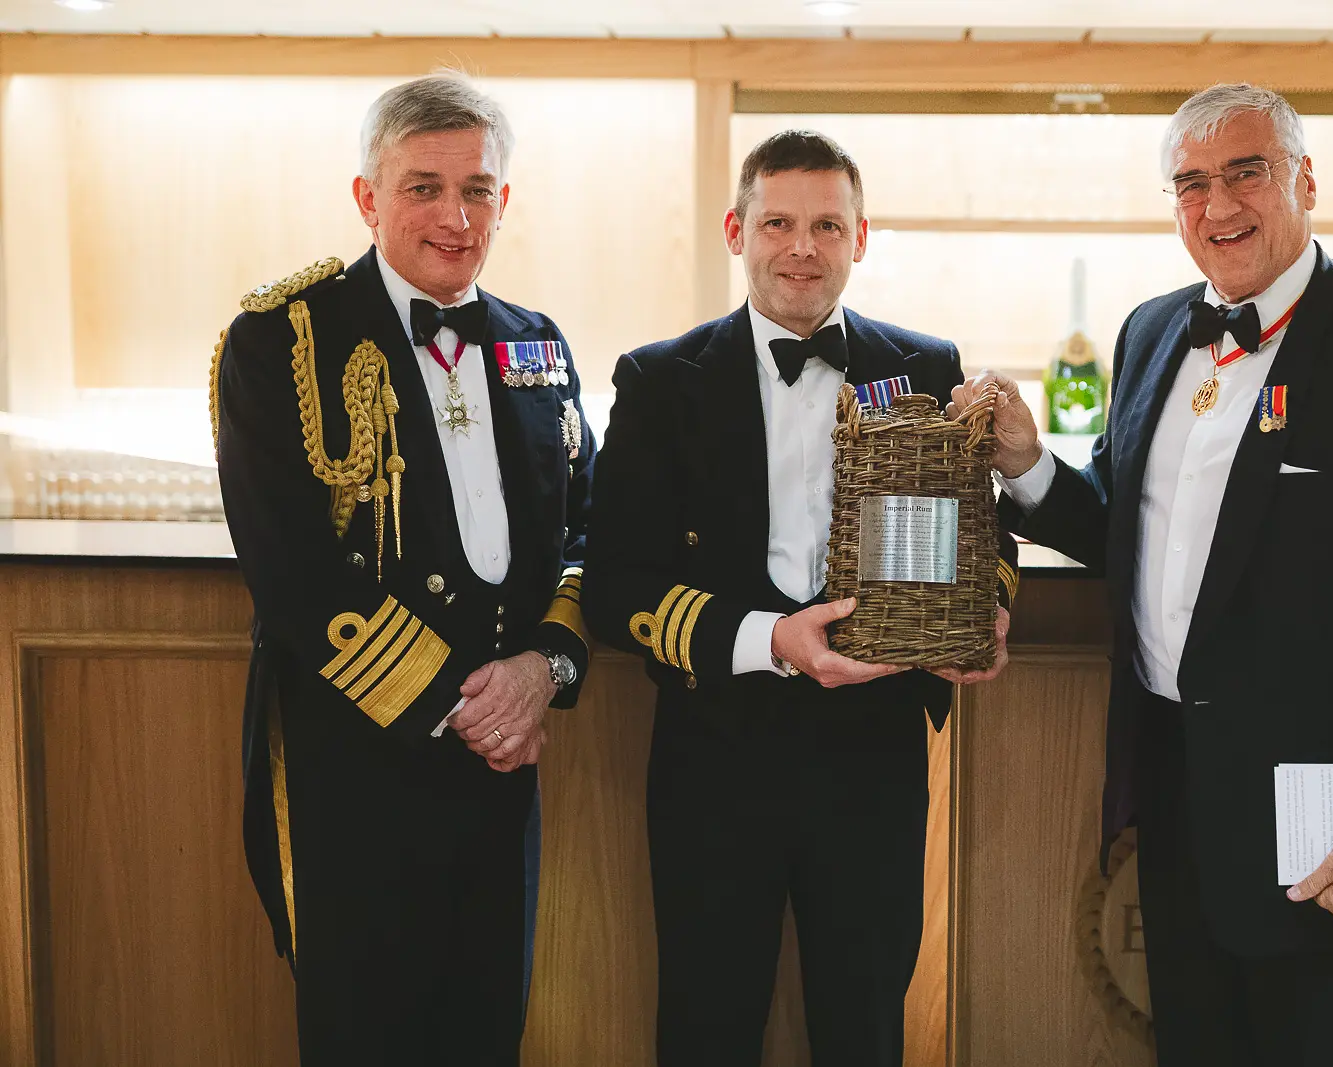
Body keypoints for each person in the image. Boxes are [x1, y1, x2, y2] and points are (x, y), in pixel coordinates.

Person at [949, 83, 1333, 1065]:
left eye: (1245, 171)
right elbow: (1125, 521)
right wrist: (1028, 461)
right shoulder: (1152, 330)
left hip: (1325, 826)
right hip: (1175, 797)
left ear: (1304, 180)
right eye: (1191, 183)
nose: (1218, 205)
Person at [581, 129, 1020, 1067]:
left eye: (829, 224)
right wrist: (770, 639)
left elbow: (985, 534)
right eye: (778, 221)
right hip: (715, 753)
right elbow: (616, 580)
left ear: (862, 237)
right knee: (706, 1022)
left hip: (873, 752)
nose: (803, 248)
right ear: (738, 229)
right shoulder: (661, 379)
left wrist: (987, 607)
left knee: (865, 1026)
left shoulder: (927, 365)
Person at [213, 72, 595, 1066]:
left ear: (504, 201)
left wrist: (541, 670)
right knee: (362, 1034)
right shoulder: (280, 340)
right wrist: (460, 701)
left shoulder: (536, 345)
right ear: (366, 196)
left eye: (477, 190)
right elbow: (291, 563)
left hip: (506, 764)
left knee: (486, 1031)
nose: (454, 216)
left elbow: (586, 530)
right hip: (360, 765)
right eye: (423, 187)